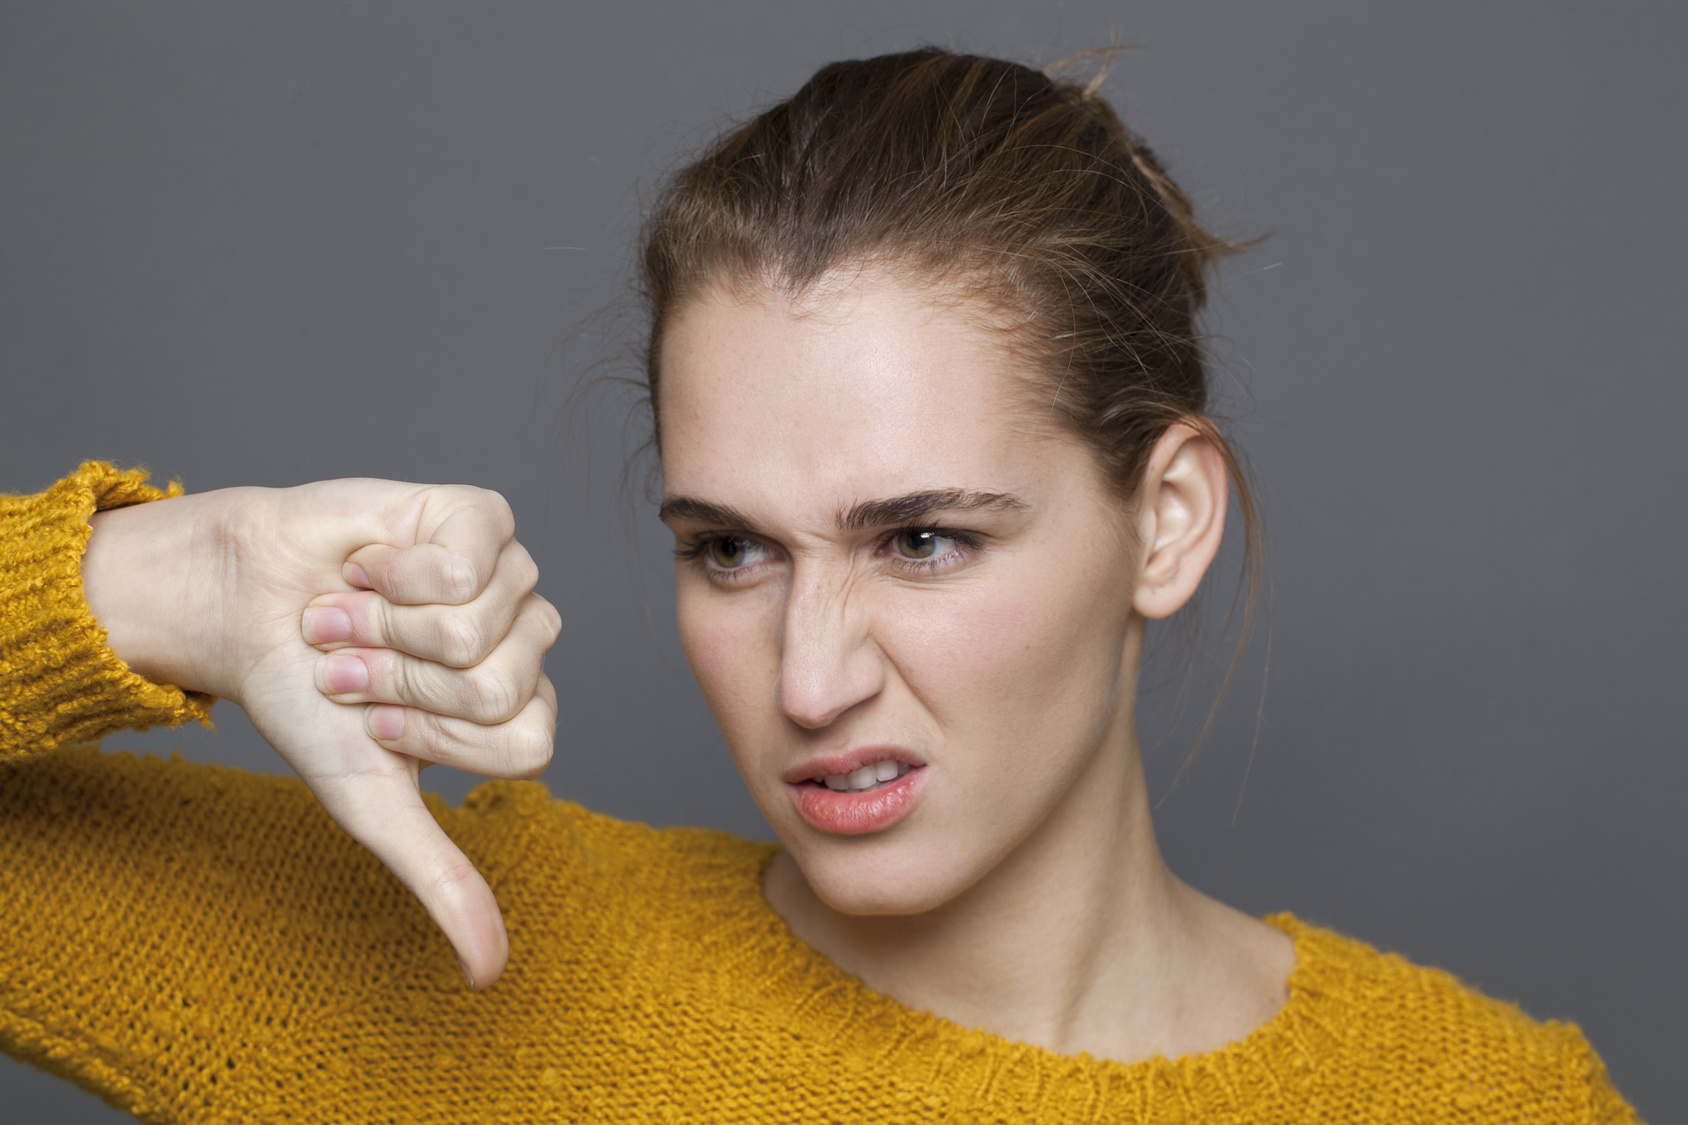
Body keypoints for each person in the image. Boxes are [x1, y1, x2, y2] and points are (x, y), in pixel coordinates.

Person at [0, 49, 1641, 1122]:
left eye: (923, 538)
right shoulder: (482, 967)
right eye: (732, 549)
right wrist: (154, 579)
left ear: (1168, 520)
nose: (807, 678)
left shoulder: (1489, 1102)